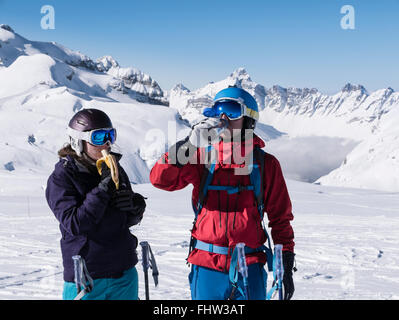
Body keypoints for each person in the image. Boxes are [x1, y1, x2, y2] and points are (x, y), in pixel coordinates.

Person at [150, 87, 295, 300]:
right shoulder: (200, 156)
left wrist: (286, 266)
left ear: (249, 120)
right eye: (218, 110)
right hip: (207, 265)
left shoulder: (266, 164)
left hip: (250, 266)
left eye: (231, 110)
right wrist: (188, 146)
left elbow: (280, 219)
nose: (223, 117)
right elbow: (160, 179)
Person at [46, 108, 146, 300]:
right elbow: (75, 224)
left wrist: (135, 207)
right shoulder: (63, 177)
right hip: (87, 278)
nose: (107, 143)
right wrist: (102, 191)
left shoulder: (114, 168)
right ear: (78, 141)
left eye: (111, 135)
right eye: (99, 137)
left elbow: (124, 220)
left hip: (123, 273)